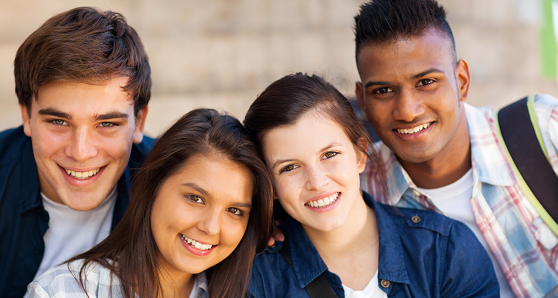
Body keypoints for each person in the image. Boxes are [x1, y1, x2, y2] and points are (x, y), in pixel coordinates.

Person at [353, 0, 558, 297]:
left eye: (425, 82)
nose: (408, 111)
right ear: (362, 100)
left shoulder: (544, 131)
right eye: (383, 91)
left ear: (461, 81)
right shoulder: (356, 191)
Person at [244, 73, 498, 297]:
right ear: (270, 185)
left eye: (329, 155)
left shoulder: (446, 252)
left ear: (360, 154)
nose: (317, 182)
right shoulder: (257, 279)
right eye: (289, 167)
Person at [26, 108, 274, 298]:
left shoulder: (258, 290)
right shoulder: (65, 291)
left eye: (234, 210)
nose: (211, 227)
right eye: (195, 198)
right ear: (154, 186)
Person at [0, 7, 154, 297]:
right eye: (59, 121)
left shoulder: (171, 178)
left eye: (107, 123)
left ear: (139, 122)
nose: (81, 152)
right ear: (26, 116)